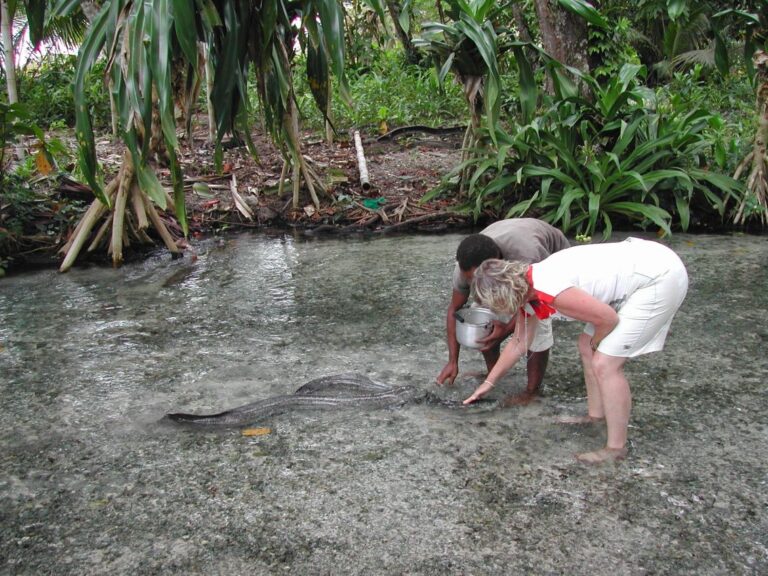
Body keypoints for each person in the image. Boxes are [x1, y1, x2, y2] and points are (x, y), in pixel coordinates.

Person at [462, 237, 688, 464]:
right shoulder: (525, 284)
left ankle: (616, 448)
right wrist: (488, 384)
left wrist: (596, 343)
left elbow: (608, 319)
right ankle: (595, 416)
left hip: (659, 277)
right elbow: (519, 342)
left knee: (605, 364)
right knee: (586, 346)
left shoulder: (549, 288)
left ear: (503, 295)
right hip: (646, 262)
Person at [436, 218, 570, 405]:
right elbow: (454, 309)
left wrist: (506, 329)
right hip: (506, 255)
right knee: (484, 325)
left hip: (554, 260)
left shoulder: (527, 255)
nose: (473, 284)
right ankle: (495, 374)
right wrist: (452, 361)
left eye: (477, 280)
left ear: (495, 263)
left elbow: (537, 300)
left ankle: (532, 391)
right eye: (471, 281)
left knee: (537, 326)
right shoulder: (464, 269)